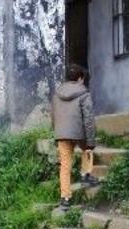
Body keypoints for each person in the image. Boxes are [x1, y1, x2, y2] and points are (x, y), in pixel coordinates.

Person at [52, 64, 97, 210]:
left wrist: (57, 133)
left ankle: (65, 198)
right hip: (78, 132)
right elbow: (88, 119)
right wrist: (90, 141)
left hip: (61, 133)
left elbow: (53, 116)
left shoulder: (57, 93)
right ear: (80, 78)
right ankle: (86, 174)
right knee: (87, 148)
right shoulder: (84, 93)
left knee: (65, 165)